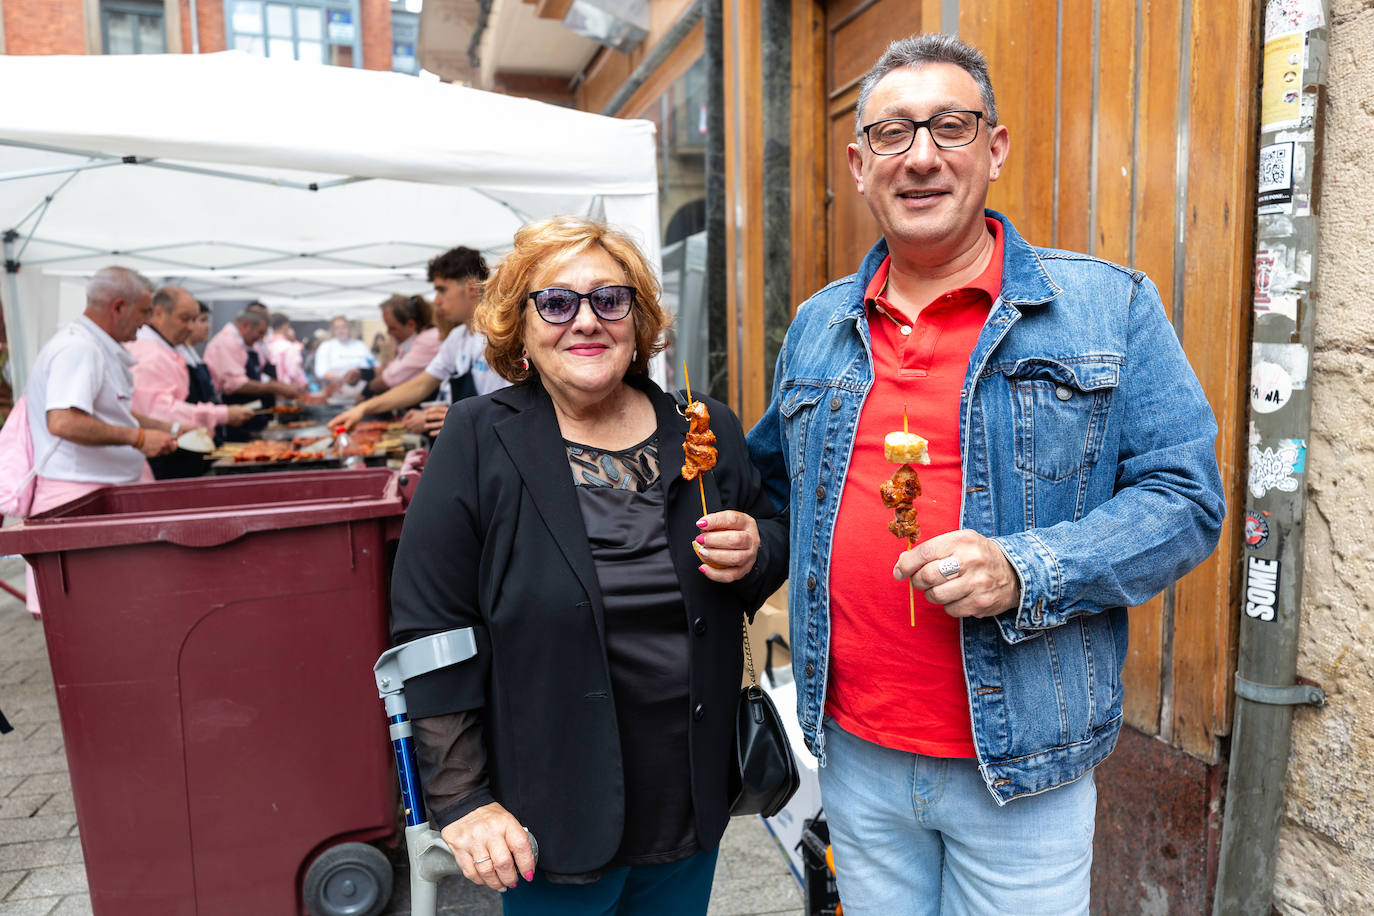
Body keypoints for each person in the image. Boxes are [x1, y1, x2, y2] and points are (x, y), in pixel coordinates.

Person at [745, 34, 1226, 915]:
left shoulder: (1108, 306)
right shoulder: (818, 323)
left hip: (1021, 767)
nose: (921, 155)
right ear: (859, 164)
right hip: (854, 751)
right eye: (893, 133)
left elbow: (1186, 500)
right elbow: (775, 493)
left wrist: (1024, 568)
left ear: (994, 149)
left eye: (951, 126)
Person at [389, 216, 789, 914]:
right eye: (556, 302)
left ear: (638, 318)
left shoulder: (704, 427)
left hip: (688, 800)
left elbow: (773, 538)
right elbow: (430, 629)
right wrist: (462, 799)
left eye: (610, 299)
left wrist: (757, 547)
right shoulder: (479, 439)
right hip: (548, 814)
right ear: (521, 324)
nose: (586, 321)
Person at [22, 266, 178, 613]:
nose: (147, 321)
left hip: (96, 493)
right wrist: (138, 439)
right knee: (90, 612)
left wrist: (169, 430)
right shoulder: (80, 348)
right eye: (143, 311)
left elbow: (109, 414)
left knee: (110, 609)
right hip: (79, 499)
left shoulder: (93, 346)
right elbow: (63, 422)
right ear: (118, 307)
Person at [328, 246, 505, 435]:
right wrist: (363, 409)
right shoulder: (457, 338)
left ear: (472, 288)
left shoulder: (500, 335)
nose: (436, 301)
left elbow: (514, 403)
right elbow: (420, 385)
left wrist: (454, 418)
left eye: (442, 290)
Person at [126, 286, 254, 478]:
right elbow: (160, 411)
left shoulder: (167, 348)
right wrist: (220, 415)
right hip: (164, 458)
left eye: (195, 320)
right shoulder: (150, 353)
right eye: (185, 319)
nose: (191, 327)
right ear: (158, 314)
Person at [204, 308, 307, 440]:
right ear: (245, 325)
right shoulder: (226, 342)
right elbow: (236, 384)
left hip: (252, 415)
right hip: (234, 416)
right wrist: (278, 388)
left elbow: (259, 376)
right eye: (260, 332)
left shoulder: (247, 343)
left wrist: (283, 386)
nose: (260, 337)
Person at [366, 294, 442, 395]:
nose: (388, 332)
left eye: (392, 328)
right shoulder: (407, 345)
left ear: (411, 325)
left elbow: (390, 378)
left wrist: (365, 393)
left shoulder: (428, 339)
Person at [312, 316, 375, 389]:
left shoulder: (360, 345)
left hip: (362, 392)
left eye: (343, 327)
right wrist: (345, 375)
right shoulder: (326, 346)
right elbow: (321, 372)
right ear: (333, 330)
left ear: (349, 328)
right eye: (337, 328)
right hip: (335, 393)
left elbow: (372, 364)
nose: (341, 330)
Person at [264, 313, 308, 388]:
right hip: (289, 390)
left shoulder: (265, 345)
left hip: (271, 388)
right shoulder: (289, 347)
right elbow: (293, 372)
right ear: (285, 325)